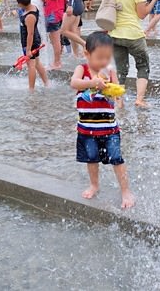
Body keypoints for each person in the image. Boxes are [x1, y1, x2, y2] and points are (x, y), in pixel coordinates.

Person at [70, 31, 134, 209]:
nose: (104, 61)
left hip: (109, 129)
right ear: (87, 54)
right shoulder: (82, 70)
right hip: (86, 130)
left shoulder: (109, 72)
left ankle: (125, 190)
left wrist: (116, 97)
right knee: (91, 159)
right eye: (99, 57)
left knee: (116, 159)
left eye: (107, 57)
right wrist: (92, 83)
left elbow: (117, 94)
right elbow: (74, 83)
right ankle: (94, 184)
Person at [105, 0, 160, 108]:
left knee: (121, 69)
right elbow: (143, 14)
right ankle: (139, 99)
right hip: (133, 35)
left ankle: (119, 101)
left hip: (114, 34)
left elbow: (107, 9)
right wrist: (155, 0)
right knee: (143, 65)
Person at [16, 0, 48, 90]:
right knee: (37, 63)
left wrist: (28, 50)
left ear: (20, 3)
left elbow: (30, 34)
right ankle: (47, 84)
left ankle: (31, 89)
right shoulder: (33, 7)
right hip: (34, 40)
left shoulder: (30, 16)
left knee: (31, 65)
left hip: (30, 42)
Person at [42, 0, 66, 69]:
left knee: (55, 39)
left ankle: (57, 62)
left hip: (53, 13)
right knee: (54, 39)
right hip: (53, 12)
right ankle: (57, 60)